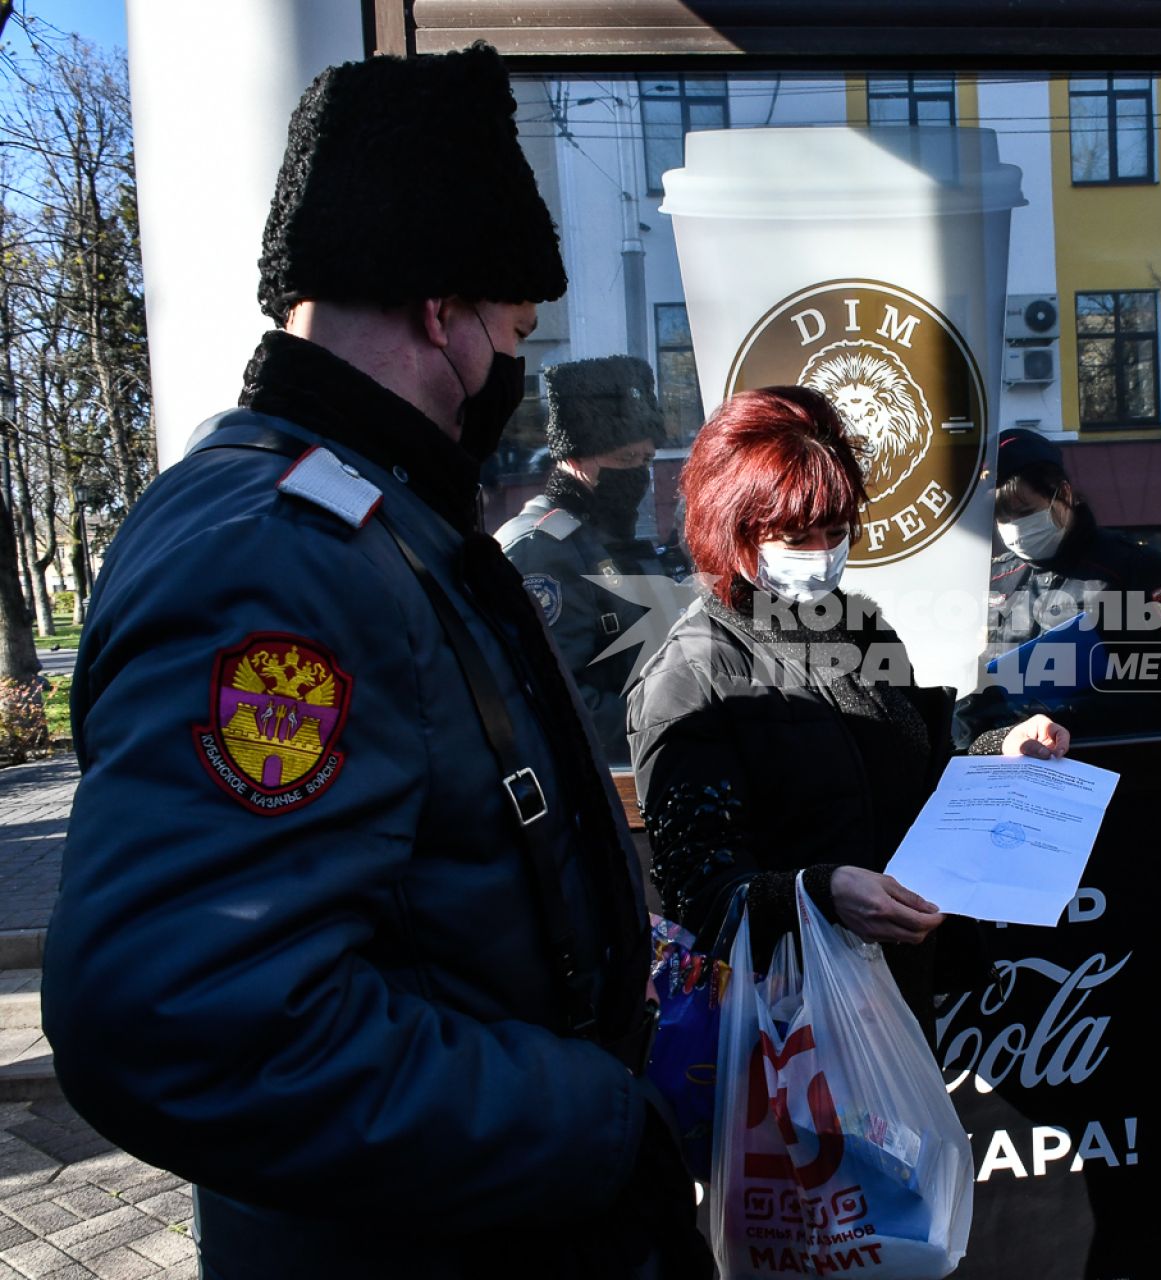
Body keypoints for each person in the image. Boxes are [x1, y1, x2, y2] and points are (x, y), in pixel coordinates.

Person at [40, 45, 709, 1280]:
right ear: (440, 311)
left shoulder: (367, 514)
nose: (518, 365)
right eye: (515, 326)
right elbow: (189, 1018)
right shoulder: (279, 554)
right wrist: (590, 1117)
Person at [626, 386, 1067, 1024]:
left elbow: (924, 778)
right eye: (796, 535)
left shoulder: (861, 628)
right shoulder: (691, 674)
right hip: (783, 1030)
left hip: (899, 997)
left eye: (836, 532)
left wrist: (1003, 753)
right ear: (735, 530)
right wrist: (821, 892)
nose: (821, 553)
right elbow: (699, 892)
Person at [958, 428, 1161, 742]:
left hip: (1114, 761)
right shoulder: (997, 579)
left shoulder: (1136, 569)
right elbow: (976, 694)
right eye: (1002, 516)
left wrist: (1070, 717)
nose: (1013, 529)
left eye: (1024, 512)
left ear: (1063, 494)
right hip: (1017, 769)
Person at [498, 354, 672, 758]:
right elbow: (558, 701)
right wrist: (676, 719)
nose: (638, 474)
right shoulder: (542, 549)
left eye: (645, 460)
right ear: (575, 457)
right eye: (625, 459)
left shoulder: (609, 539)